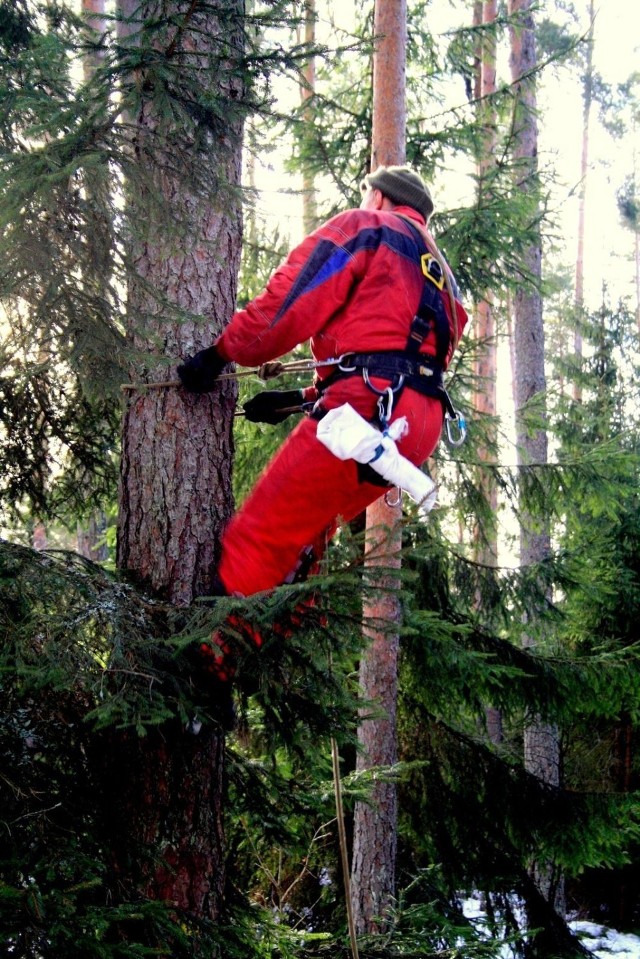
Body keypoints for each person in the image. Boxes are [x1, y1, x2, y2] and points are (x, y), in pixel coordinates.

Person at [177, 165, 469, 680]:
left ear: (379, 196)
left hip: (368, 410)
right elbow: (396, 352)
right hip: (412, 429)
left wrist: (221, 353)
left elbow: (291, 301)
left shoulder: (368, 227)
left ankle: (207, 671)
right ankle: (255, 655)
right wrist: (301, 398)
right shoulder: (444, 277)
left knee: (263, 532)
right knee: (306, 534)